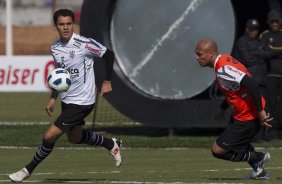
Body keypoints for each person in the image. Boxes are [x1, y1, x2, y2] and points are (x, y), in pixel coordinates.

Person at [8, 9, 122, 182]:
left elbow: (109, 55)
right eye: (61, 24)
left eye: (69, 23)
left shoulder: (84, 43)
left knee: (49, 136)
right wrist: (53, 97)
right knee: (75, 138)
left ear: (73, 24)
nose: (66, 27)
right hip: (68, 100)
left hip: (83, 101)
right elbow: (61, 74)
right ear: (56, 26)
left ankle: (27, 170)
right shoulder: (55, 47)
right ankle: (110, 144)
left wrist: (107, 81)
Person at [195, 38, 272, 179]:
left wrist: (260, 112)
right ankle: (259, 171)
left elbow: (252, 85)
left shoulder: (223, 68)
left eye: (199, 54)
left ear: (211, 54)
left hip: (249, 115)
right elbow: (233, 89)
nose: (197, 58)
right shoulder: (223, 60)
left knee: (217, 150)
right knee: (239, 145)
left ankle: (259, 157)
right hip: (243, 113)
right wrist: (223, 107)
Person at [260, 9, 282, 137]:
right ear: (269, 22)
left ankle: (280, 127)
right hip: (270, 75)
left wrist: (272, 51)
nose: (274, 23)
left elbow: (270, 51)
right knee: (270, 103)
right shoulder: (265, 35)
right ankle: (271, 130)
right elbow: (265, 53)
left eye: (276, 21)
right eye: (272, 21)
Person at [232, 18, 267, 89]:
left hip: (261, 79)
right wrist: (260, 54)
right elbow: (247, 59)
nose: (254, 32)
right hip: (247, 79)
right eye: (252, 29)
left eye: (256, 29)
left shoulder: (260, 41)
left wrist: (254, 53)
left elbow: (268, 54)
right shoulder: (242, 41)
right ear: (247, 29)